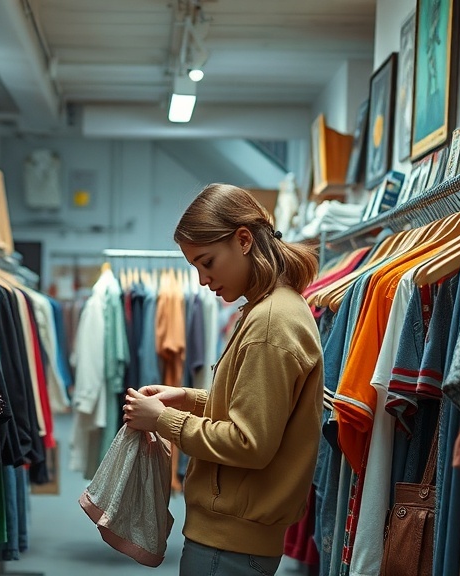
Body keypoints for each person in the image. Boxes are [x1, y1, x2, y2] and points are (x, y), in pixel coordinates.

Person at [123, 183, 324, 576]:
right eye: (196, 267)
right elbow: (257, 407)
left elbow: (250, 443)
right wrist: (188, 397)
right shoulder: (270, 308)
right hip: (234, 538)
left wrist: (163, 420)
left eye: (207, 262)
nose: (201, 280)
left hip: (228, 545)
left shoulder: (270, 322)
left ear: (244, 240)